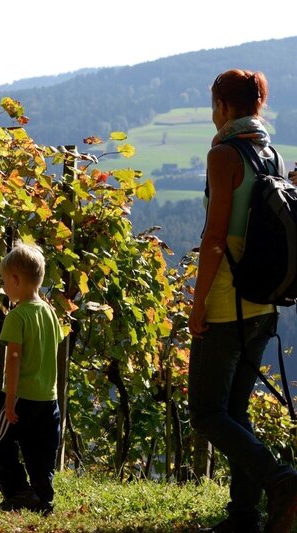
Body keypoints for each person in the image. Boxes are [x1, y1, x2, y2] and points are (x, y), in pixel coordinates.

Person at [189, 68, 297, 533]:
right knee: (235, 412)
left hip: (227, 301)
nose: (213, 115)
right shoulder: (270, 153)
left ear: (225, 107)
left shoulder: (225, 156)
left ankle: (282, 481)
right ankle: (243, 515)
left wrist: (197, 305)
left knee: (206, 413)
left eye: (214, 105)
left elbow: (214, 239)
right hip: (265, 303)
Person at [0, 243, 62, 515]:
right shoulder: (50, 313)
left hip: (21, 397)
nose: (5, 286)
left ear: (16, 281)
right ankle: (43, 499)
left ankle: (18, 491)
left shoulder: (17, 317)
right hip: (48, 399)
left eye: (5, 281)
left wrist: (9, 399)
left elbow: (14, 360)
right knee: (41, 452)